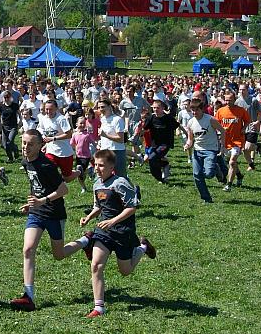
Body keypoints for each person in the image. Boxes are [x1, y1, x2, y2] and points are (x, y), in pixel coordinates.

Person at [10, 130, 92, 312]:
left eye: (30, 144)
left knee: (59, 255)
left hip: (54, 213)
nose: (26, 147)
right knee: (28, 249)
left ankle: (86, 240)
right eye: (24, 143)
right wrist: (31, 203)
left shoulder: (47, 165)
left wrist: (42, 201)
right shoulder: (25, 161)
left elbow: (64, 190)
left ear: (40, 146)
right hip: (37, 212)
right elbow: (36, 185)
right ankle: (28, 296)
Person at [79, 149, 156, 318]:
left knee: (125, 271)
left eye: (101, 165)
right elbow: (98, 206)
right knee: (96, 265)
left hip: (122, 232)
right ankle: (99, 308)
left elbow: (132, 207)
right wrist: (89, 217)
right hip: (104, 232)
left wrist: (113, 221)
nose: (97, 169)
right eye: (95, 165)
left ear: (111, 166)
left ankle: (142, 247)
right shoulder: (97, 184)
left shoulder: (120, 183)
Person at [185, 98, 227, 203]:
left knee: (208, 174)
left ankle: (216, 168)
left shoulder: (210, 120)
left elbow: (222, 131)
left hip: (211, 150)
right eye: (192, 110)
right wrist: (187, 145)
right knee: (197, 175)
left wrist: (222, 146)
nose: (194, 112)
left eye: (197, 110)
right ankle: (206, 198)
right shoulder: (191, 123)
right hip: (197, 151)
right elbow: (190, 139)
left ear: (202, 109)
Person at [214, 89, 250, 191]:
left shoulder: (241, 110)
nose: (227, 102)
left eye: (230, 100)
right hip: (225, 141)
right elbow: (215, 123)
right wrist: (220, 129)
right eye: (226, 100)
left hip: (237, 140)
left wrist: (243, 128)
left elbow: (248, 120)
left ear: (234, 99)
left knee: (232, 162)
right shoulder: (221, 111)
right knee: (231, 162)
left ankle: (228, 185)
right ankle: (239, 175)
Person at [37, 100, 79, 183]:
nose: (48, 112)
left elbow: (69, 134)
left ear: (56, 108)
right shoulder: (44, 118)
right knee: (48, 171)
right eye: (46, 109)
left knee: (67, 178)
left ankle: (79, 171)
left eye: (51, 109)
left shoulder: (61, 119)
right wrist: (44, 141)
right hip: (51, 152)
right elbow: (41, 129)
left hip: (64, 152)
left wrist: (53, 138)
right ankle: (55, 186)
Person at [97, 99, 128, 177]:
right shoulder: (103, 119)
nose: (101, 109)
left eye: (103, 107)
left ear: (109, 106)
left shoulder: (117, 119)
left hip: (117, 151)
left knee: (120, 176)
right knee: (105, 175)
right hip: (105, 151)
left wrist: (106, 135)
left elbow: (121, 139)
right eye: (99, 107)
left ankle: (128, 185)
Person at [71, 117, 96, 193]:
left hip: (86, 156)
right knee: (80, 172)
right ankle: (83, 187)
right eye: (80, 123)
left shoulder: (87, 135)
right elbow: (72, 144)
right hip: (78, 156)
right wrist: (74, 150)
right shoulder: (75, 134)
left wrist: (97, 147)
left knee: (81, 171)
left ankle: (88, 171)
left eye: (84, 123)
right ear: (76, 124)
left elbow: (93, 142)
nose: (82, 125)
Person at [0, 91, 20, 163]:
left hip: (13, 126)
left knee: (9, 142)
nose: (6, 99)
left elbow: (19, 114)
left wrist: (20, 121)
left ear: (10, 97)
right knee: (4, 145)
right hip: (5, 127)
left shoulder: (15, 105)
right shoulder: (1, 106)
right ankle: (10, 158)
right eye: (5, 97)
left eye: (8, 97)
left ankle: (15, 150)